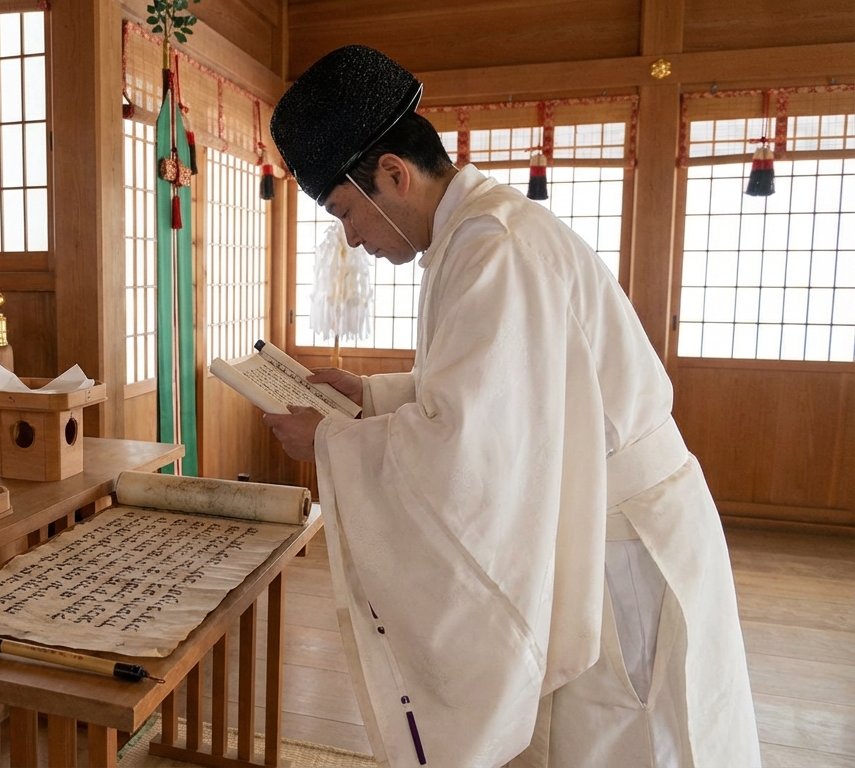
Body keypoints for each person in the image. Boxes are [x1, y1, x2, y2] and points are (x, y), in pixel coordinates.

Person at [264, 45, 760, 767]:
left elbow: (478, 447)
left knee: (634, 736)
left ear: (392, 176)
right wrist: (372, 398)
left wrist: (333, 445)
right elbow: (511, 395)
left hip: (622, 547)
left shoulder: (494, 247)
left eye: (345, 212)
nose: (353, 239)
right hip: (601, 518)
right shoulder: (474, 234)